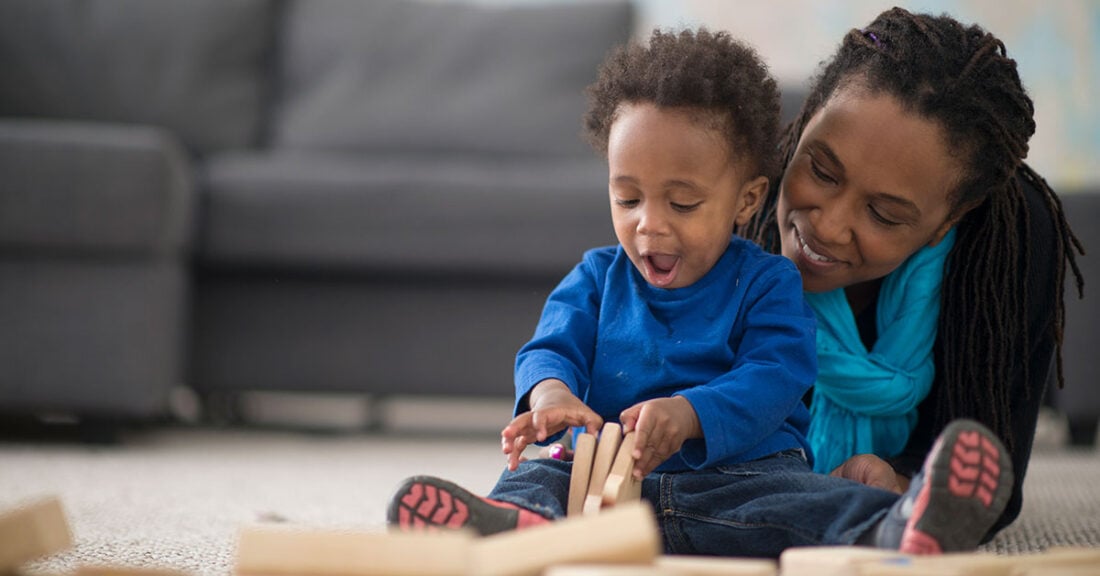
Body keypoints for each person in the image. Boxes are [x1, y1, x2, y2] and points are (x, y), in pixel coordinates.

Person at [388, 24, 1018, 559]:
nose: (648, 224)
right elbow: (551, 347)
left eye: (683, 202)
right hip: (599, 476)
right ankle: (510, 525)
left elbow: (778, 373)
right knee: (537, 471)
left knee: (811, 504)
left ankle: (904, 528)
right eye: (626, 197)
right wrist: (552, 397)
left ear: (746, 200)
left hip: (738, 478)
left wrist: (691, 414)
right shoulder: (595, 276)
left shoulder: (768, 281)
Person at [738, 6, 1083, 540]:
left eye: (883, 214)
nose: (828, 226)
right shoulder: (743, 187)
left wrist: (898, 480)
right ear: (807, 120)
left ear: (949, 219)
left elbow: (993, 475)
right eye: (822, 171)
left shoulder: (1007, 243)